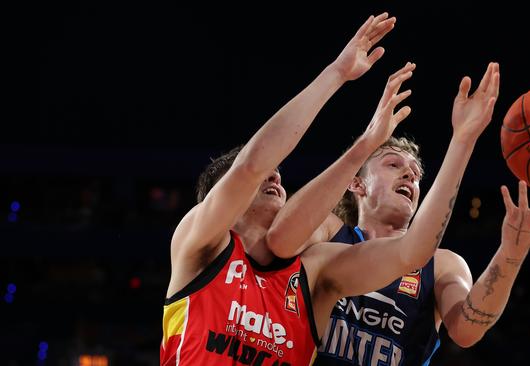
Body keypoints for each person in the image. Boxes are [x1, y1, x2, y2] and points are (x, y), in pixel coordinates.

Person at [267, 62, 530, 365]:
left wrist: (511, 254)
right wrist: (366, 144)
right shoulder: (329, 233)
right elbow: (282, 235)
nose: (410, 176)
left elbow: (467, 331)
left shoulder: (442, 265)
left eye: (415, 174)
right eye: (394, 165)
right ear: (357, 184)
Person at [160, 12, 409, 365]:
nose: (276, 178)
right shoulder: (199, 245)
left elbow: (407, 253)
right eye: (266, 176)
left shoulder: (308, 275)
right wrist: (337, 73)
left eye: (278, 175)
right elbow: (252, 164)